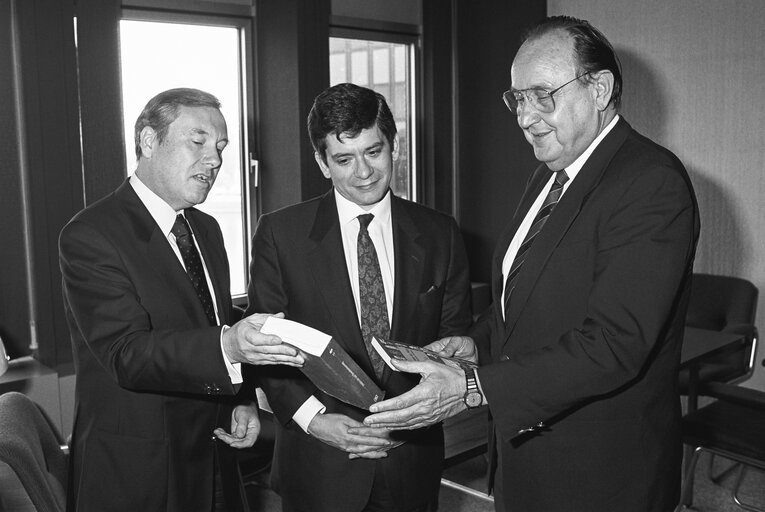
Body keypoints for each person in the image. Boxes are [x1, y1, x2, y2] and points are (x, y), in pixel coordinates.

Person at [363, 16, 700, 512]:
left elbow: (615, 343)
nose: (525, 116)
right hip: (527, 454)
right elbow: (528, 301)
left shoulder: (651, 182)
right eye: (518, 98)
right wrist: (476, 345)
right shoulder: (549, 175)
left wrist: (476, 389)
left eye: (543, 95)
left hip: (601, 471)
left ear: (600, 89)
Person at [59, 87, 304, 512]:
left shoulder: (205, 229)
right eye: (199, 142)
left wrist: (240, 398)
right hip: (139, 466)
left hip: (215, 452)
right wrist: (229, 345)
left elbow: (214, 320)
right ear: (149, 141)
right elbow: (126, 353)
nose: (215, 160)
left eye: (221, 147)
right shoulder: (91, 234)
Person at [245, 82, 472, 512]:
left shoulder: (441, 232)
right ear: (322, 162)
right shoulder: (280, 234)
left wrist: (433, 392)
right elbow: (267, 351)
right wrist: (316, 421)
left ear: (394, 146)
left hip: (411, 464)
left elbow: (455, 334)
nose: (363, 172)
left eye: (373, 151)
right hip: (319, 466)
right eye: (344, 159)